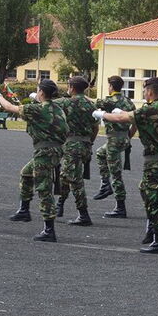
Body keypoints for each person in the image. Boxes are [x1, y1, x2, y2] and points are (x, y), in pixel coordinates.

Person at [96, 77, 158, 255]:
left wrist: (102, 115)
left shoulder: (146, 111)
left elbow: (121, 117)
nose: (144, 94)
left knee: (154, 199)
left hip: (154, 161)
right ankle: (153, 229)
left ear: (151, 92)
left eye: (145, 91)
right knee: (150, 191)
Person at [0, 79, 69, 242]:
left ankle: (49, 229)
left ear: (41, 92)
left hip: (44, 151)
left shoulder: (37, 109)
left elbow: (9, 107)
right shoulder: (58, 108)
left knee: (43, 188)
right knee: (26, 173)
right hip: (55, 150)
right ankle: (24, 210)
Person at [56, 76, 99, 226]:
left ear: (72, 88)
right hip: (86, 145)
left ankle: (83, 214)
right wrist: (89, 143)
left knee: (75, 180)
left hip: (72, 145)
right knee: (65, 176)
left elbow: (47, 104)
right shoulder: (91, 105)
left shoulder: (67, 102)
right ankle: (60, 205)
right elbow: (95, 128)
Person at [93, 75, 136, 217]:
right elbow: (135, 122)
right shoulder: (129, 102)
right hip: (124, 137)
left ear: (111, 87)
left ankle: (120, 207)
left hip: (113, 140)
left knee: (116, 173)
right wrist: (128, 136)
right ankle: (105, 184)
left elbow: (91, 102)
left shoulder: (108, 101)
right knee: (100, 153)